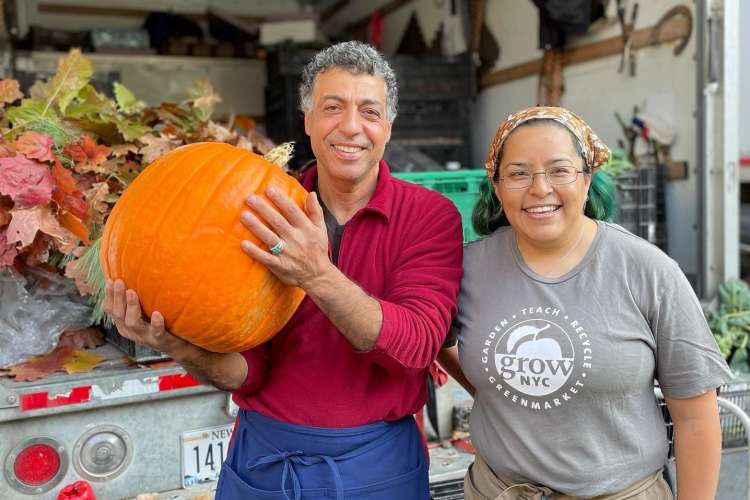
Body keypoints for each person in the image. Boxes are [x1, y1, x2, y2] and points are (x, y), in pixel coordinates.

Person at [102, 41, 463, 499]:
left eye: (369, 112)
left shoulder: (430, 216)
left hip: (377, 469)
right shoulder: (260, 209)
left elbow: (414, 348)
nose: (351, 126)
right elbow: (249, 372)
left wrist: (316, 274)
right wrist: (179, 346)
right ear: (307, 120)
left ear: (388, 127)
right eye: (333, 107)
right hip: (265, 463)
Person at [438, 106, 732, 500]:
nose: (539, 188)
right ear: (496, 184)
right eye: (519, 173)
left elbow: (696, 419)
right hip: (496, 491)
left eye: (559, 170)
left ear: (587, 177)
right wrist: (497, 390)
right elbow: (436, 340)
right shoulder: (467, 268)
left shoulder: (648, 271)